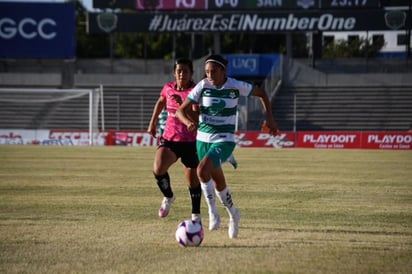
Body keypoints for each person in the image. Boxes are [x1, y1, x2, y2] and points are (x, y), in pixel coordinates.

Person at [176, 54, 279, 238]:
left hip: (225, 138)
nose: (210, 75)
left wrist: (269, 118)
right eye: (207, 72)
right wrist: (188, 122)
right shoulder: (202, 86)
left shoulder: (235, 85)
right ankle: (234, 214)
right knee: (218, 183)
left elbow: (262, 93)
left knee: (201, 170)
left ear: (224, 71)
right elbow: (180, 110)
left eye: (214, 71)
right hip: (202, 139)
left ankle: (212, 213)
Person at [147, 58, 202, 222]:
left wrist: (181, 106)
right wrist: (152, 123)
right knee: (158, 168)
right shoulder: (168, 88)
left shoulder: (196, 91)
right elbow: (160, 102)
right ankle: (169, 197)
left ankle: (196, 215)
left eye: (185, 71)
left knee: (192, 181)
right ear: (174, 73)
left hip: (191, 141)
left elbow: (197, 118)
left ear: (191, 73)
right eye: (179, 71)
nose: (182, 74)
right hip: (170, 139)